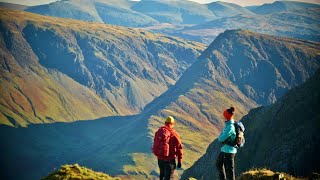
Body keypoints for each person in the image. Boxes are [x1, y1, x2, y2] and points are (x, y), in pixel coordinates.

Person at [216, 107, 237, 180]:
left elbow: (221, 138)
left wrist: (220, 137)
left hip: (229, 151)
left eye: (224, 114)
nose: (223, 115)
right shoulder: (229, 125)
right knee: (218, 164)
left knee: (230, 172)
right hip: (225, 150)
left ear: (227, 115)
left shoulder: (230, 127)